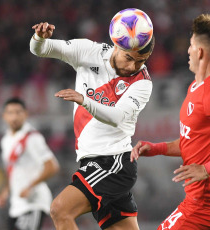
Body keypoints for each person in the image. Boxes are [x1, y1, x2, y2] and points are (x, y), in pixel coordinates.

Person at [131, 14, 210, 229]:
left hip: (208, 203)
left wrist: (206, 169)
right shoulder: (197, 88)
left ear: (200, 52)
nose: (188, 51)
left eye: (191, 45)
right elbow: (197, 144)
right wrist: (156, 148)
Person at [29, 10, 155, 230]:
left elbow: (117, 117)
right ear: (116, 46)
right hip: (92, 161)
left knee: (60, 209)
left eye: (141, 61)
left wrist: (84, 100)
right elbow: (41, 49)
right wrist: (39, 37)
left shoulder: (142, 82)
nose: (133, 66)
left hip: (113, 162)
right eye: (129, 58)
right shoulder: (89, 52)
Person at [0, 97, 60, 230]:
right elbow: (11, 169)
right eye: (10, 113)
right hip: (16, 205)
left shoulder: (32, 138)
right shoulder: (6, 140)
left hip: (33, 202)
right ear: (4, 116)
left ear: (25, 114)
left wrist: (30, 186)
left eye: (18, 112)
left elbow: (52, 167)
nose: (14, 117)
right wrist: (5, 191)